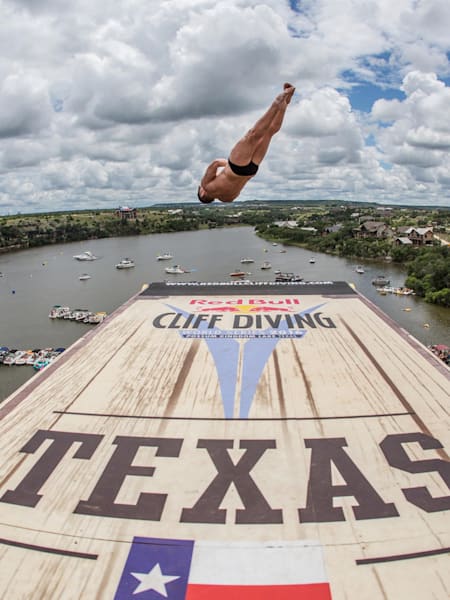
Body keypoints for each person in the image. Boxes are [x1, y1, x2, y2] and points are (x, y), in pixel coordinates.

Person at [197, 83, 295, 203]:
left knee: (269, 133)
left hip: (251, 171)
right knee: (253, 135)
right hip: (235, 166)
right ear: (202, 192)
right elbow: (215, 163)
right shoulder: (206, 186)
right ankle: (279, 100)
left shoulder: (227, 198)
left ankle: (284, 104)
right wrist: (229, 164)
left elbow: (236, 188)